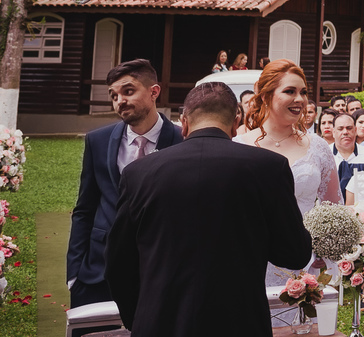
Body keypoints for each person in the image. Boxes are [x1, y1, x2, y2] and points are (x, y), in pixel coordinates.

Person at [105, 83, 312, 337]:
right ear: (236, 122)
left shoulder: (139, 173)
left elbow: (118, 262)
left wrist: (140, 317)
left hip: (160, 322)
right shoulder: (270, 168)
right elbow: (294, 254)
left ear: (184, 122)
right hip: (240, 323)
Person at [67, 59, 184, 308]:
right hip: (98, 272)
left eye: (128, 91)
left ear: (154, 92)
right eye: (114, 95)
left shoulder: (182, 140)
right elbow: (84, 209)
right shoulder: (97, 141)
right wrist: (74, 274)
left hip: (163, 272)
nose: (120, 100)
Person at [234, 59, 341, 285]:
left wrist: (322, 252)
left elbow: (335, 209)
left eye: (303, 92)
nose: (300, 99)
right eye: (289, 91)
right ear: (266, 96)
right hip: (252, 260)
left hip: (305, 264)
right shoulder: (238, 147)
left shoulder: (318, 146)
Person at [332, 113, 364, 196]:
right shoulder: (324, 155)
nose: (345, 132)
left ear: (355, 130)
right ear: (333, 132)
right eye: (340, 129)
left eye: (349, 128)